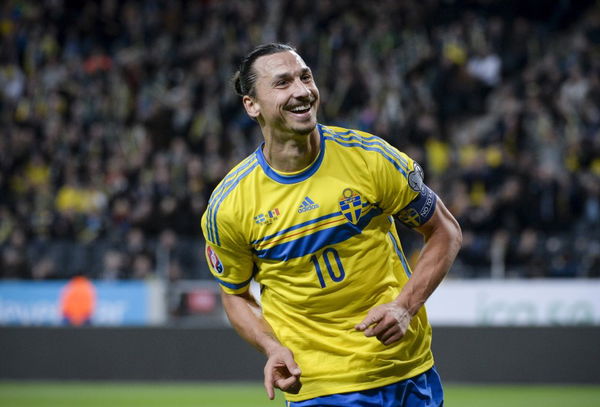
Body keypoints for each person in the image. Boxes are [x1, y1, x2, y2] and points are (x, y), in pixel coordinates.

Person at [200, 43, 462, 407]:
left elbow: (444, 231)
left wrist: (405, 306)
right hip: (319, 386)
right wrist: (271, 346)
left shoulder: (370, 159)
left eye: (305, 77)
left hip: (406, 370)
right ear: (251, 104)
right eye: (282, 83)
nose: (302, 91)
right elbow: (234, 292)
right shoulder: (229, 205)